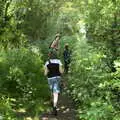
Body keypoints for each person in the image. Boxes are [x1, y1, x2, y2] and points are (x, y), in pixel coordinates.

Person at [44, 50, 64, 116]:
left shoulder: (47, 62)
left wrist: (46, 70)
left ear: (49, 56)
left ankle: (52, 102)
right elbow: (61, 72)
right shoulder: (58, 61)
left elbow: (45, 73)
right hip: (57, 78)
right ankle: (54, 107)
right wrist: (62, 70)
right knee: (56, 93)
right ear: (55, 55)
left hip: (50, 79)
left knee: (52, 91)